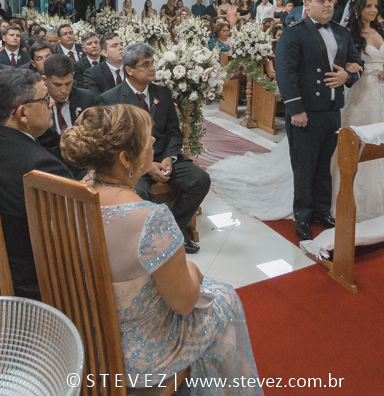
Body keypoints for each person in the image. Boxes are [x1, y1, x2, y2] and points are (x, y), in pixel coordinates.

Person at [61, 105, 262, 392]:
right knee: (225, 297)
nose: (154, 141)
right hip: (138, 355)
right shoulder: (151, 218)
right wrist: (192, 269)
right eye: (147, 138)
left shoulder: (67, 196)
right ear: (125, 158)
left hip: (83, 336)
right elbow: (183, 303)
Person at [0, 68, 73, 298]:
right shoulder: (41, 166)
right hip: (39, 282)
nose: (52, 103)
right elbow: (72, 233)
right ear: (23, 113)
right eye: (45, 98)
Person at [99, 43, 211, 254]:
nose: (152, 68)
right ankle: (145, 240)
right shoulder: (111, 99)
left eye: (152, 63)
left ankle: (171, 231)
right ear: (129, 69)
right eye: (145, 64)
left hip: (163, 157)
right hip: (133, 164)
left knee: (200, 180)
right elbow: (115, 143)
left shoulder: (163, 93)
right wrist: (147, 165)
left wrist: (169, 157)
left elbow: (173, 131)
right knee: (140, 193)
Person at [274, 0, 363, 240]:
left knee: (325, 165)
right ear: (307, 4)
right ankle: (302, 215)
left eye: (331, 0)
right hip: (305, 111)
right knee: (304, 166)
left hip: (332, 109)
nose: (328, 5)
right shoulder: (294, 33)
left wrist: (348, 76)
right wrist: (295, 110)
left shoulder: (341, 32)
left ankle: (322, 211)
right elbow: (285, 74)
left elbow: (358, 63)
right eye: (322, 0)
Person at [330, 0, 384, 221]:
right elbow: (342, 61)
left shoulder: (379, 29)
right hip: (360, 91)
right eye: (368, 6)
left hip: (380, 93)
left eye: (375, 6)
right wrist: (352, 68)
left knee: (382, 135)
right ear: (357, 8)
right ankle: (351, 197)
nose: (373, 10)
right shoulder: (348, 33)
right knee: (360, 136)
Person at [35, 54, 98, 168]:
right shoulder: (36, 104)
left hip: (83, 163)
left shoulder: (85, 98)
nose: (64, 90)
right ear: (45, 80)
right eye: (57, 85)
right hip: (50, 165)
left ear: (73, 76)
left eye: (68, 83)